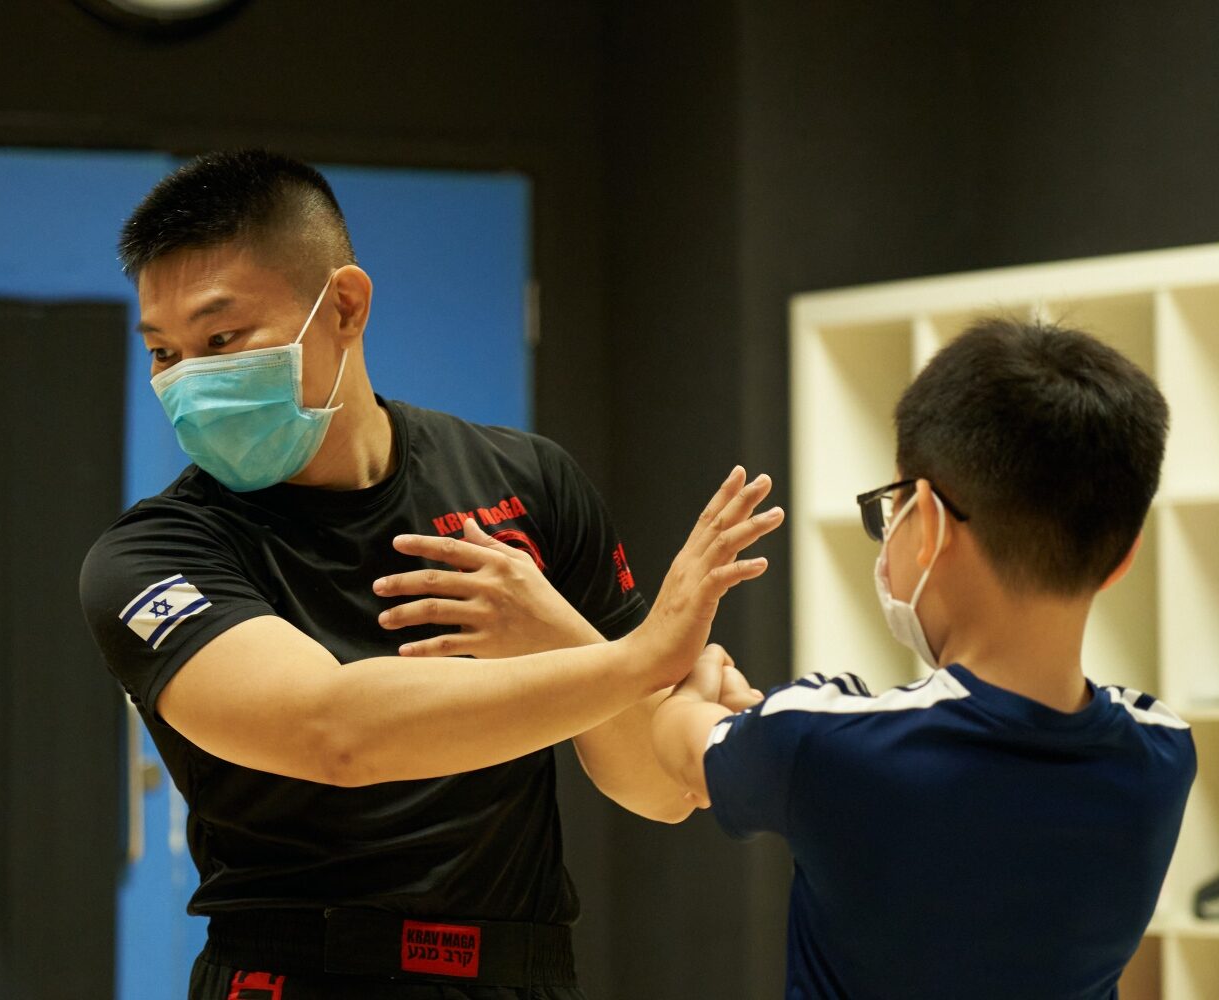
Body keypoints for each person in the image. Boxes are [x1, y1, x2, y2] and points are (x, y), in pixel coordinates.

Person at [77, 150, 779, 999]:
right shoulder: (154, 554)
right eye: (163, 352)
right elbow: (334, 732)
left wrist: (558, 637)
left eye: (221, 339)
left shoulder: (525, 481)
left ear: (343, 305)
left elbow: (654, 792)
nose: (190, 380)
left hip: (521, 975)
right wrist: (645, 657)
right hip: (299, 974)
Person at [652, 318, 1197, 999]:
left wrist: (707, 681)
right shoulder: (1163, 754)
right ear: (1121, 557)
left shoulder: (819, 741)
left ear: (929, 522)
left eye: (894, 506)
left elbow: (675, 745)